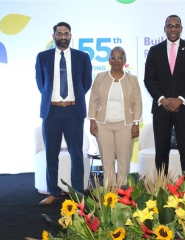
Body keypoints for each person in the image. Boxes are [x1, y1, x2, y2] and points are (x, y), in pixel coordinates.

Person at [35, 22, 92, 205]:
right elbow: (41, 83)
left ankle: (77, 194)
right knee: (51, 153)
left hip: (74, 111)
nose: (63, 36)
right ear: (53, 36)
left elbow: (86, 82)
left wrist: (72, 101)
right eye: (59, 33)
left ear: (70, 35)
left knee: (76, 154)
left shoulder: (82, 57)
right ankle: (53, 191)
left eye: (66, 33)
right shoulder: (43, 57)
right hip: (51, 112)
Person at [144, 15, 185, 179]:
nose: (173, 29)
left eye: (176, 26)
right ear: (165, 28)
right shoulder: (155, 51)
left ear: (181, 28)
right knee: (161, 150)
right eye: (170, 26)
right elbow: (149, 79)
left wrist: (180, 99)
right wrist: (161, 99)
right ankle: (160, 189)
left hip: (184, 108)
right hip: (161, 109)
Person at [88, 46, 142, 187]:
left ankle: (123, 191)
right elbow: (93, 99)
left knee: (124, 159)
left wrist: (136, 123)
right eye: (113, 57)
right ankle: (108, 193)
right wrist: (92, 121)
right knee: (107, 160)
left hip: (125, 125)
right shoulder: (100, 77)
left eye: (120, 58)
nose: (116, 60)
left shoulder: (132, 79)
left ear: (125, 60)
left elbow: (137, 102)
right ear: (109, 60)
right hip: (102, 125)